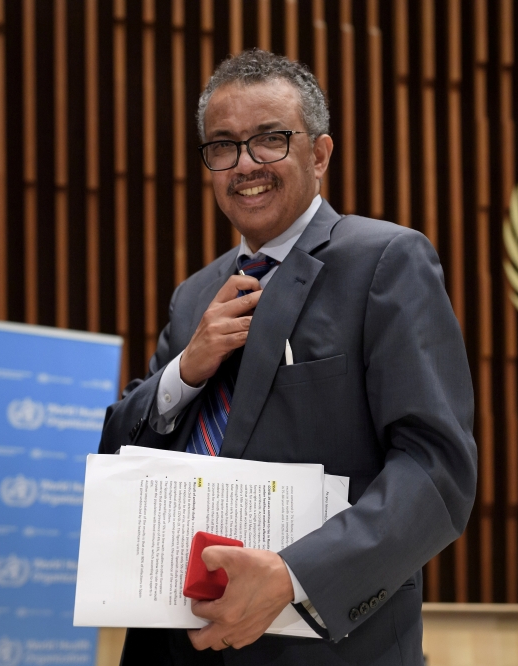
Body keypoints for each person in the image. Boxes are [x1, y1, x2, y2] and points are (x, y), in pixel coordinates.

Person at [98, 48, 477, 665]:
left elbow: (437, 472)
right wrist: (184, 371)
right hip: (174, 643)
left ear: (320, 154)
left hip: (321, 646)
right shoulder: (195, 294)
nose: (245, 164)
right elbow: (119, 455)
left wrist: (293, 577)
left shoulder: (386, 261)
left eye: (270, 140)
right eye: (223, 146)